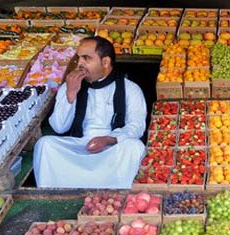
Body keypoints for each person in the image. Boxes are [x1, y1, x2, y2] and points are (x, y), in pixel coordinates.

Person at [33, 36, 146, 188]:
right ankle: (56, 194)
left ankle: (118, 195)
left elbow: (136, 126)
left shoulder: (130, 89)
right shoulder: (71, 85)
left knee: (134, 147)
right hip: (79, 146)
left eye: (86, 58)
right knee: (45, 144)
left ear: (105, 62)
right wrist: (71, 95)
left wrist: (108, 139)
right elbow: (59, 127)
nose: (80, 64)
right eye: (79, 58)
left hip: (112, 148)